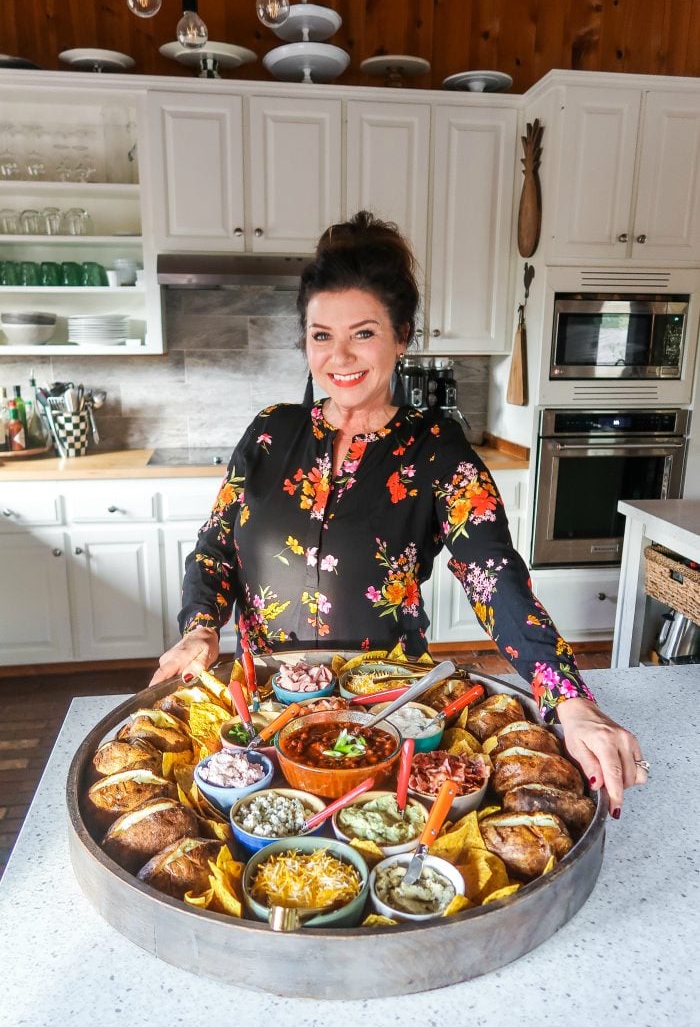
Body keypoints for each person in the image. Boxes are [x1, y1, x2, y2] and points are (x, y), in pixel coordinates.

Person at [151, 210, 648, 818]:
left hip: (388, 707)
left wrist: (568, 698)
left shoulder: (436, 448)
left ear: (401, 336)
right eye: (320, 335)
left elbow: (497, 579)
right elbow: (215, 548)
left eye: (362, 333)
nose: (339, 356)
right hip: (268, 707)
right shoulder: (267, 433)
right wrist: (200, 625)